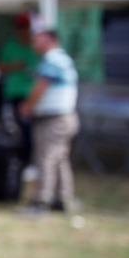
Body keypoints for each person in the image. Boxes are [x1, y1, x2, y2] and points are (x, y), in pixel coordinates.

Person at [19, 28, 80, 215]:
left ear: (50, 41)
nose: (34, 44)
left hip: (54, 119)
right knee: (59, 159)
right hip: (64, 118)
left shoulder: (53, 59)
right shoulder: (62, 59)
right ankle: (62, 199)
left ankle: (42, 202)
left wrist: (28, 105)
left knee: (45, 159)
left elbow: (41, 86)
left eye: (38, 40)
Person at [0, 13, 39, 168]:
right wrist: (16, 66)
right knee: (20, 129)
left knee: (34, 129)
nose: (23, 31)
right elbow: (0, 67)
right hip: (15, 93)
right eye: (20, 27)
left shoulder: (36, 45)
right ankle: (24, 160)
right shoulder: (10, 46)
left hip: (34, 95)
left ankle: (32, 159)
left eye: (25, 27)